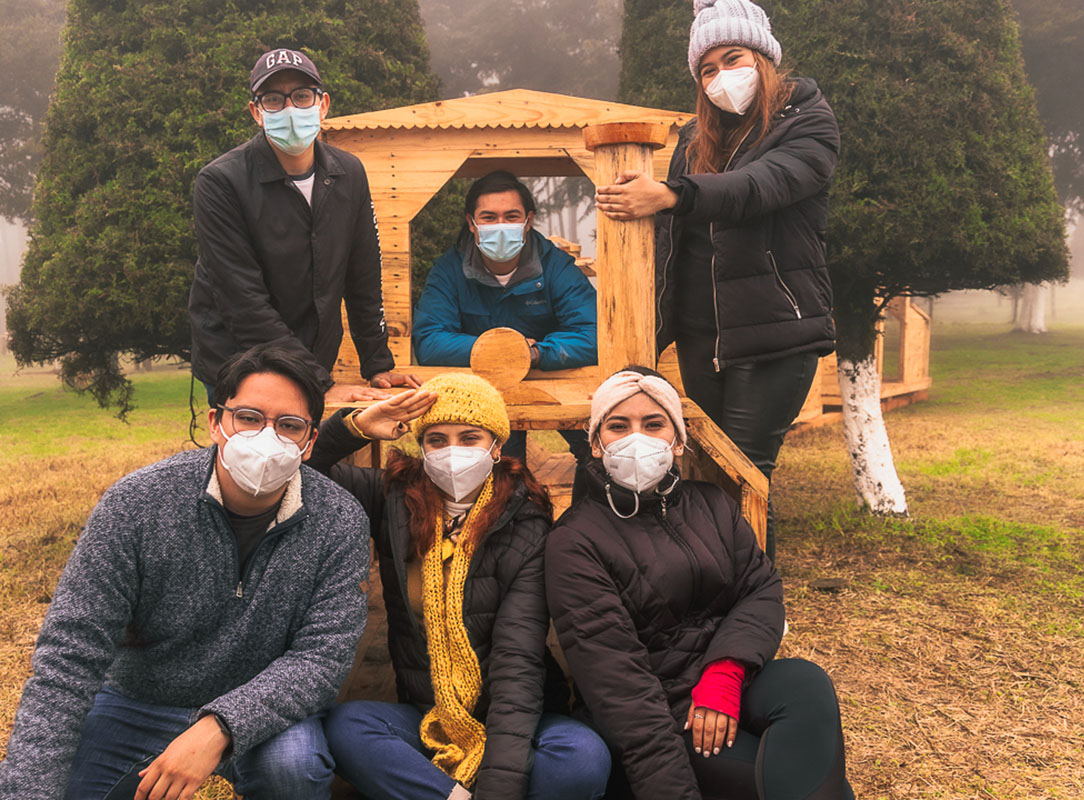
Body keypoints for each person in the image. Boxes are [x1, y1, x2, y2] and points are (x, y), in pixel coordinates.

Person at [0, 344, 370, 800]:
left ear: (309, 443)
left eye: (288, 426)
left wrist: (220, 726)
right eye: (248, 417)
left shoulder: (340, 520)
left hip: (266, 710)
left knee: (294, 770)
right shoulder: (137, 504)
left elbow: (321, 659)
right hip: (139, 702)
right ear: (215, 423)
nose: (267, 438)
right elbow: (69, 654)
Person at [593, 0, 840, 561]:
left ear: (764, 58)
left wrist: (672, 194)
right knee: (706, 469)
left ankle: (755, 602)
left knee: (745, 472)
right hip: (704, 340)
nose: (721, 77)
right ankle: (714, 593)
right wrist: (637, 339)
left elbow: (758, 188)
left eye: (734, 59)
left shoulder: (807, 124)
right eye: (707, 69)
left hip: (776, 335)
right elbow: (672, 250)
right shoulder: (691, 142)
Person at [545, 367, 854, 800]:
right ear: (596, 444)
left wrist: (725, 673)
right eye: (618, 426)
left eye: (653, 424)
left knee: (804, 681)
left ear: (677, 439)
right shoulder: (574, 541)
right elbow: (621, 690)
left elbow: (761, 590)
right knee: (831, 789)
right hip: (664, 714)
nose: (638, 438)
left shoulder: (712, 505)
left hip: (727, 685)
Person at [308, 373, 611, 800]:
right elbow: (298, 469)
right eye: (437, 439)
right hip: (427, 714)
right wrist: (353, 427)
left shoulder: (526, 522)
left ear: (496, 446)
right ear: (421, 446)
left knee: (581, 756)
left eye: (469, 438)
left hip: (517, 717)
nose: (453, 452)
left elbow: (517, 662)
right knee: (347, 727)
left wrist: (499, 786)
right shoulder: (392, 497)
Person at [189, 47, 418, 405]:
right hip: (238, 363)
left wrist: (378, 364)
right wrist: (318, 381)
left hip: (312, 358)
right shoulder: (221, 183)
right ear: (256, 112)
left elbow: (363, 277)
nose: (291, 109)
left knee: (309, 458)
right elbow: (243, 301)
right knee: (253, 458)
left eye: (301, 96)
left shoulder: (349, 174)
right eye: (274, 100)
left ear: (323, 104)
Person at [412, 171, 597, 474]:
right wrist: (500, 351)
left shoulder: (556, 266)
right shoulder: (449, 270)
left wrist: (536, 354)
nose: (501, 226)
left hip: (551, 383)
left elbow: (593, 333)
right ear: (471, 222)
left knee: (595, 452)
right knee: (498, 463)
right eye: (489, 217)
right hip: (480, 390)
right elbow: (430, 340)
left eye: (511, 216)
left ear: (528, 221)